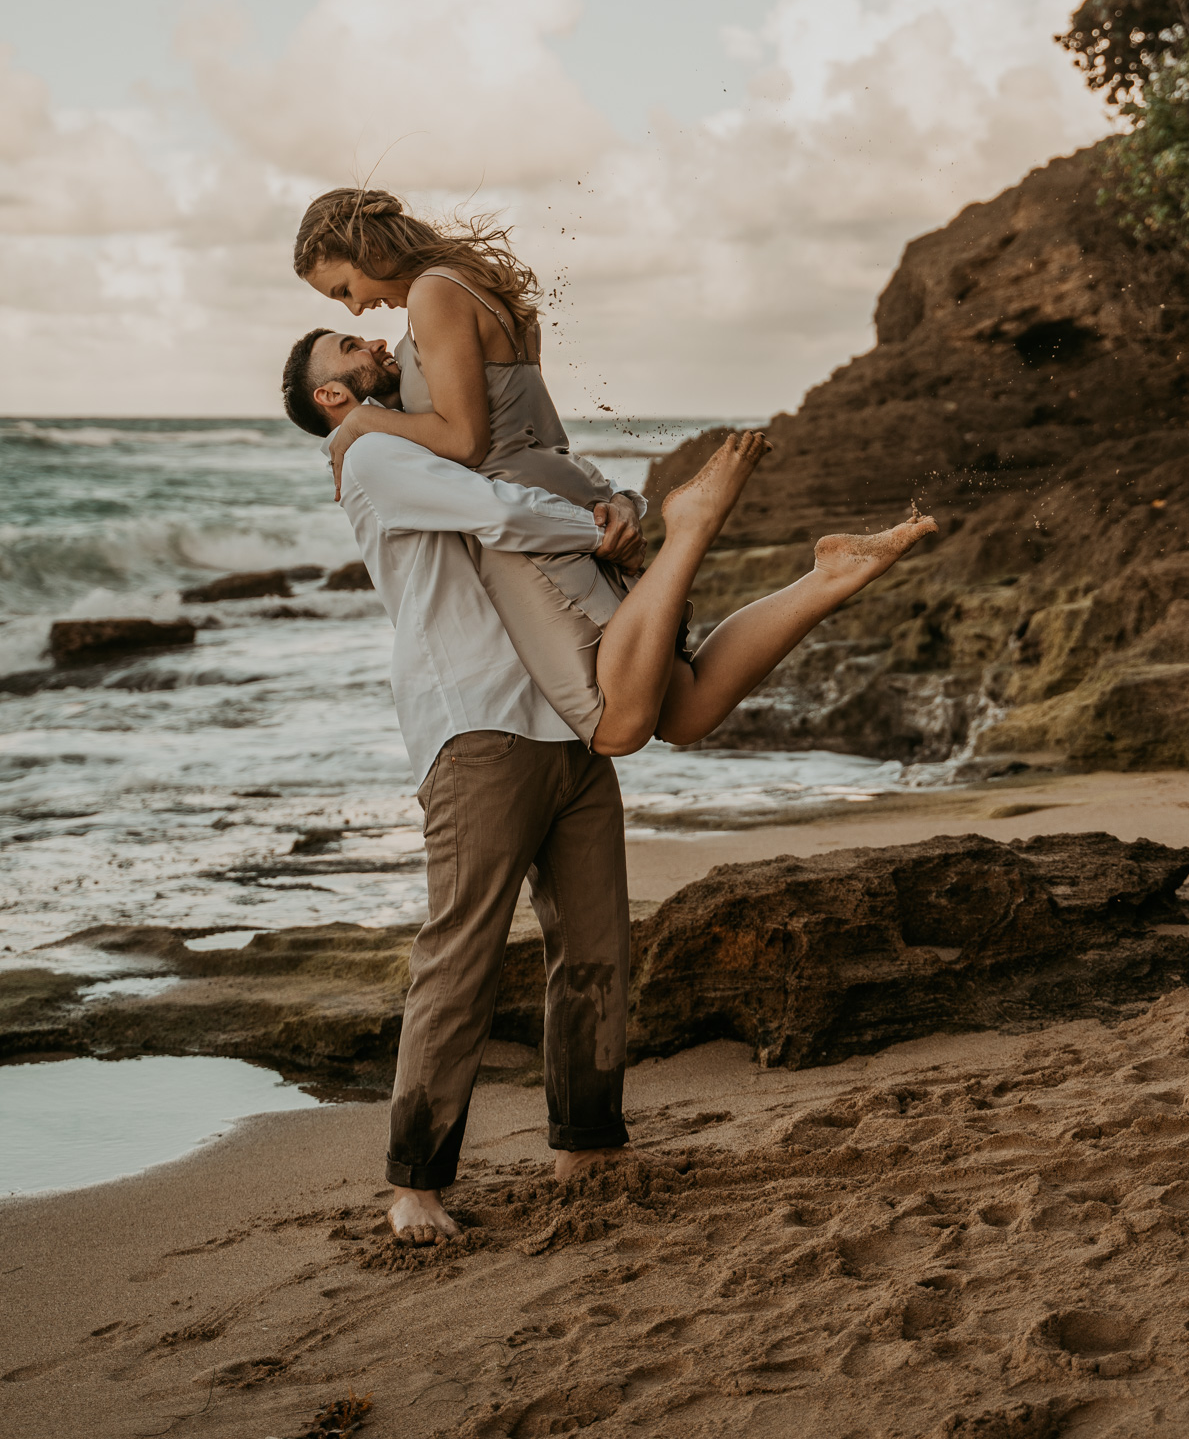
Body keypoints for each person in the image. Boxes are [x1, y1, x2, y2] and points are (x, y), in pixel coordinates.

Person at [281, 322, 936, 1247]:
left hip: (568, 713)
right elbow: (496, 512)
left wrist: (619, 499)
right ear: (330, 399)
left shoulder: (439, 429)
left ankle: (588, 1146)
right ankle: (416, 1183)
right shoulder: (370, 455)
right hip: (476, 724)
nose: (374, 342)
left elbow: (539, 475)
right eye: (348, 344)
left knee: (595, 946)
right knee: (461, 955)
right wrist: (614, 530)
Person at [292, 187, 938, 758]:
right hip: (560, 488)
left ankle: (690, 528)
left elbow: (463, 442)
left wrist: (361, 425)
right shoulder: (473, 284)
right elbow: (540, 430)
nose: (353, 310)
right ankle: (826, 578)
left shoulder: (435, 294)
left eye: (344, 289)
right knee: (681, 707)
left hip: (528, 530)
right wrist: (609, 501)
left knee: (615, 728)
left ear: (363, 247)